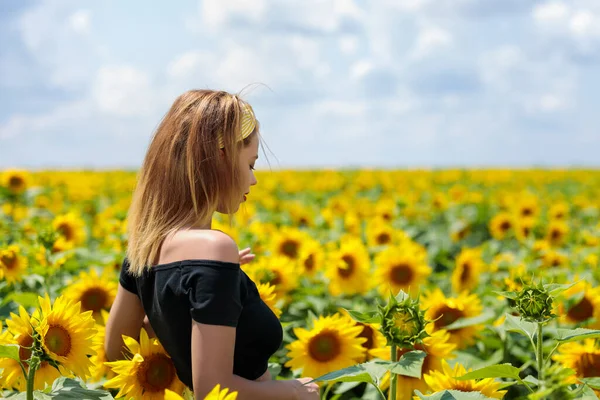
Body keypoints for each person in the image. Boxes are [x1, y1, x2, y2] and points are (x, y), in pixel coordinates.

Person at [104, 89, 320, 400]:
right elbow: (213, 390)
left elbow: (117, 352)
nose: (253, 180)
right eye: (250, 165)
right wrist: (293, 391)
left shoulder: (144, 249)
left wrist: (196, 293)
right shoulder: (215, 248)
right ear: (220, 159)